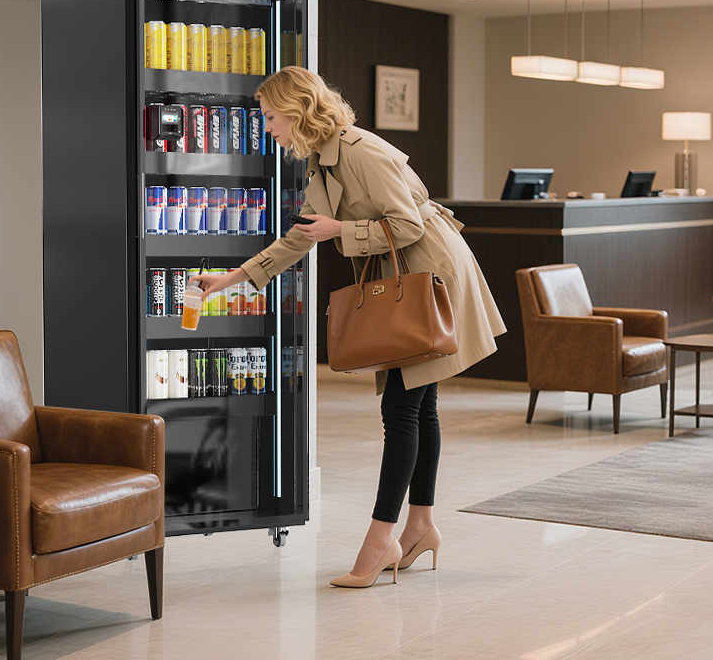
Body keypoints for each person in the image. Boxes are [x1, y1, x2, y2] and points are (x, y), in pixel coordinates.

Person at [189, 66, 505, 588]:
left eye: (270, 118)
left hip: (428, 274)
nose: (267, 128)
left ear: (296, 111)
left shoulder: (359, 151)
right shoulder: (323, 159)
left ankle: (381, 541)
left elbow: (406, 224)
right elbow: (300, 237)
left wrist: (342, 229)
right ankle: (421, 525)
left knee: (400, 409)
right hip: (410, 275)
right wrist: (232, 280)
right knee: (419, 405)